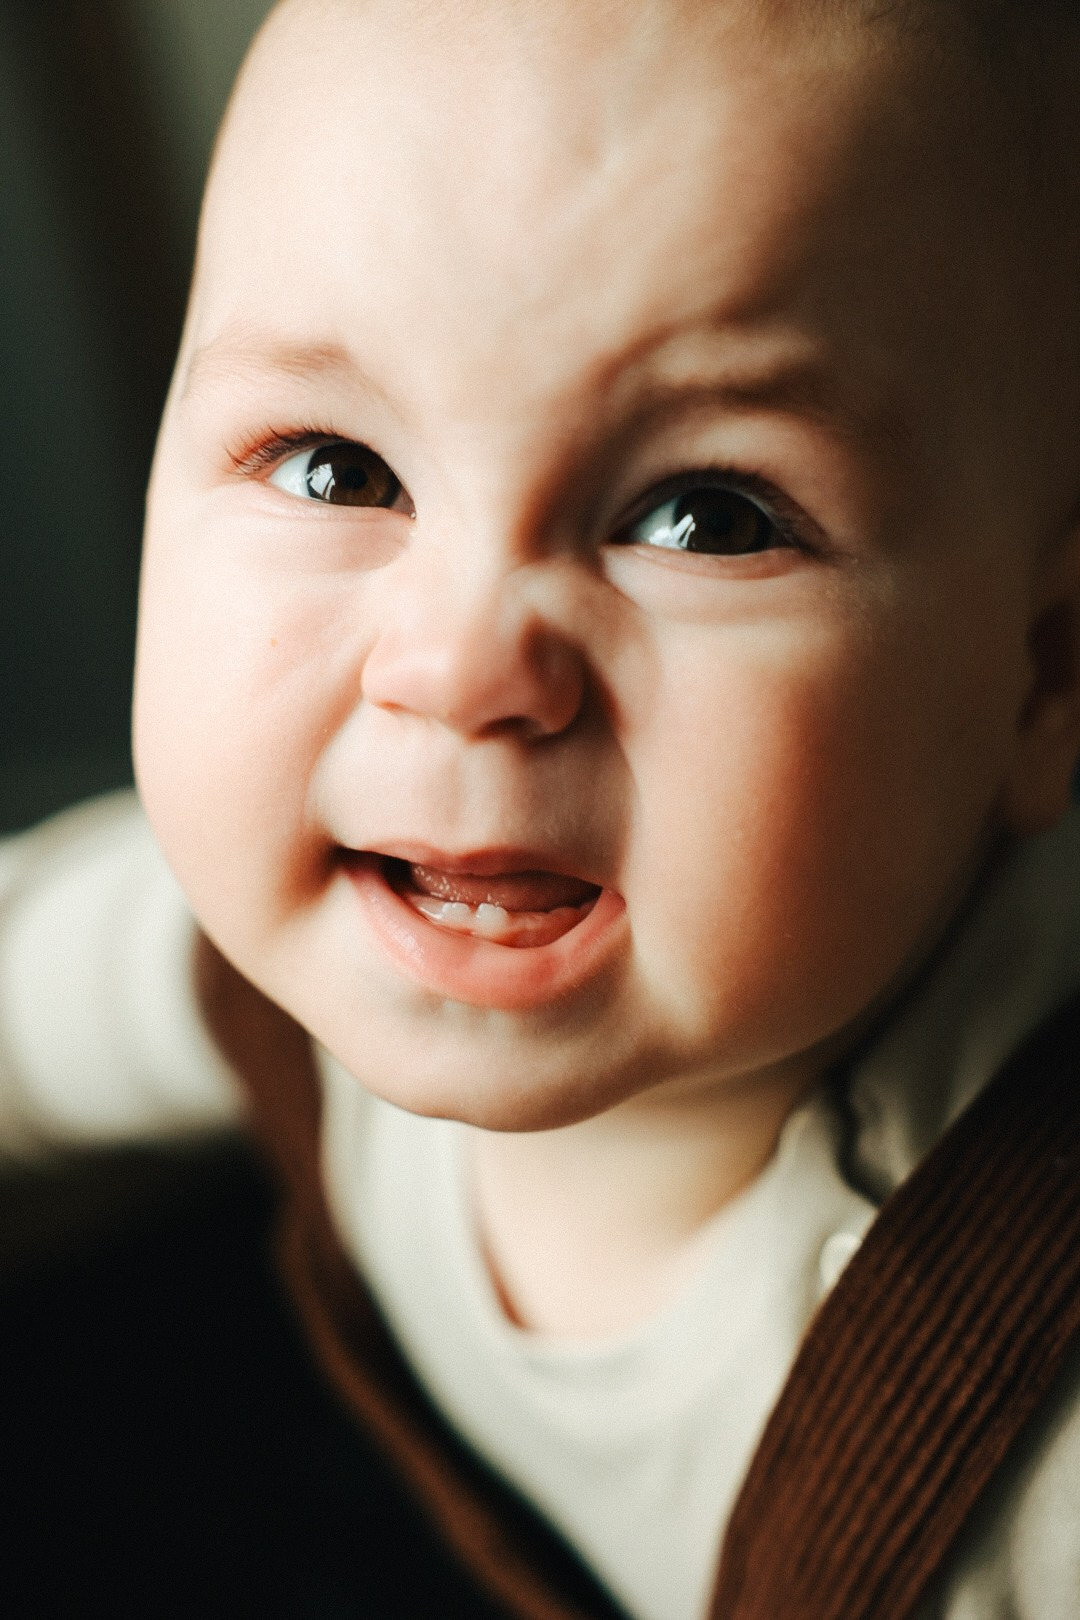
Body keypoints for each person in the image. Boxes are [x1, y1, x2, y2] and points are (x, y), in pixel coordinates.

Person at [3, 0, 1080, 1614]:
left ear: (1043, 677)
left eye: (706, 516)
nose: (457, 668)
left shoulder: (1029, 1438)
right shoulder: (283, 931)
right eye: (333, 467)